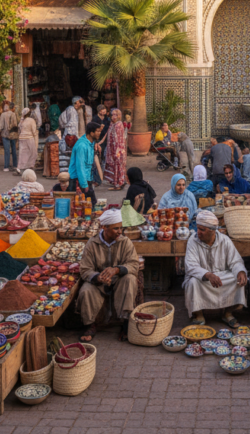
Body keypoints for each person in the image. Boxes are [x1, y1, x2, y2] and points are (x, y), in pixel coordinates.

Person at [77, 209, 140, 342]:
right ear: (104, 227)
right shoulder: (92, 244)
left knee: (130, 279)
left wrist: (116, 270)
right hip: (99, 282)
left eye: (121, 228)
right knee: (86, 290)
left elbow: (134, 264)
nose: (119, 232)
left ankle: (125, 323)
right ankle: (90, 324)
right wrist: (97, 277)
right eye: (115, 228)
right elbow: (85, 269)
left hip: (119, 280)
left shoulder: (125, 242)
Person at [184, 210, 248, 327]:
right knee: (193, 282)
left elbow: (235, 261)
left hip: (221, 276)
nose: (198, 232)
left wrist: (240, 271)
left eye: (202, 230)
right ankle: (198, 315)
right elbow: (191, 266)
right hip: (203, 278)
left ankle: (227, 313)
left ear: (212, 231)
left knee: (237, 280)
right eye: (198, 228)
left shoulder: (225, 240)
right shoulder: (192, 241)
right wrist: (208, 275)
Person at [68, 122, 101, 202]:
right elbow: (80, 166)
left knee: (89, 205)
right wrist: (84, 184)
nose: (99, 133)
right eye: (97, 131)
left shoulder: (91, 143)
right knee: (85, 205)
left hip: (86, 178)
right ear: (91, 133)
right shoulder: (82, 146)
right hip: (78, 179)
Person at [103, 108, 127, 190]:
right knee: (113, 164)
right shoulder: (112, 124)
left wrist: (117, 150)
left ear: (119, 116)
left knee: (118, 164)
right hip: (112, 148)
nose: (113, 116)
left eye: (116, 115)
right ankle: (115, 181)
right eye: (112, 115)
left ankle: (119, 183)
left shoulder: (118, 124)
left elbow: (118, 139)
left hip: (118, 149)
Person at [0, 102, 19, 173]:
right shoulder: (14, 114)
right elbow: (15, 124)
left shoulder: (3, 115)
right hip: (13, 134)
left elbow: (1, 126)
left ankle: (6, 166)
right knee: (14, 150)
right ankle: (15, 165)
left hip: (5, 134)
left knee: (7, 150)